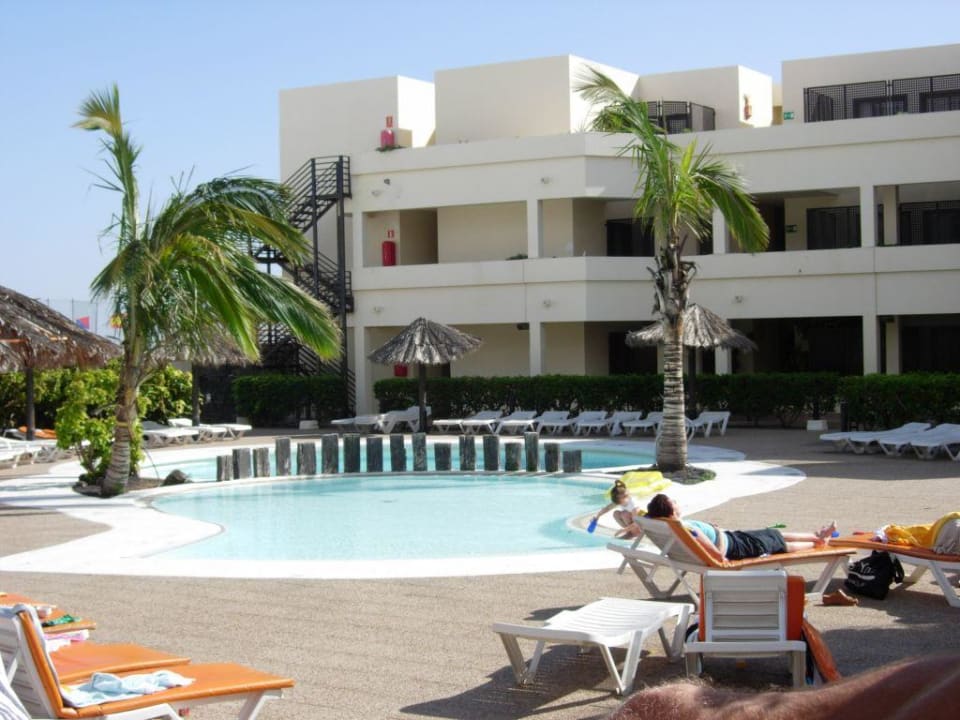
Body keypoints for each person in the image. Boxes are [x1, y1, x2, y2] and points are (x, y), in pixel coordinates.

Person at [645, 493, 836, 562]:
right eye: (674, 502)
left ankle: (816, 536)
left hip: (733, 538)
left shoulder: (669, 524)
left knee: (772, 533)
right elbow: (709, 548)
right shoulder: (685, 528)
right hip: (735, 547)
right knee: (778, 545)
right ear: (671, 511)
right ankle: (818, 543)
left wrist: (715, 530)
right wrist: (720, 558)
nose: (677, 502)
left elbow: (642, 514)